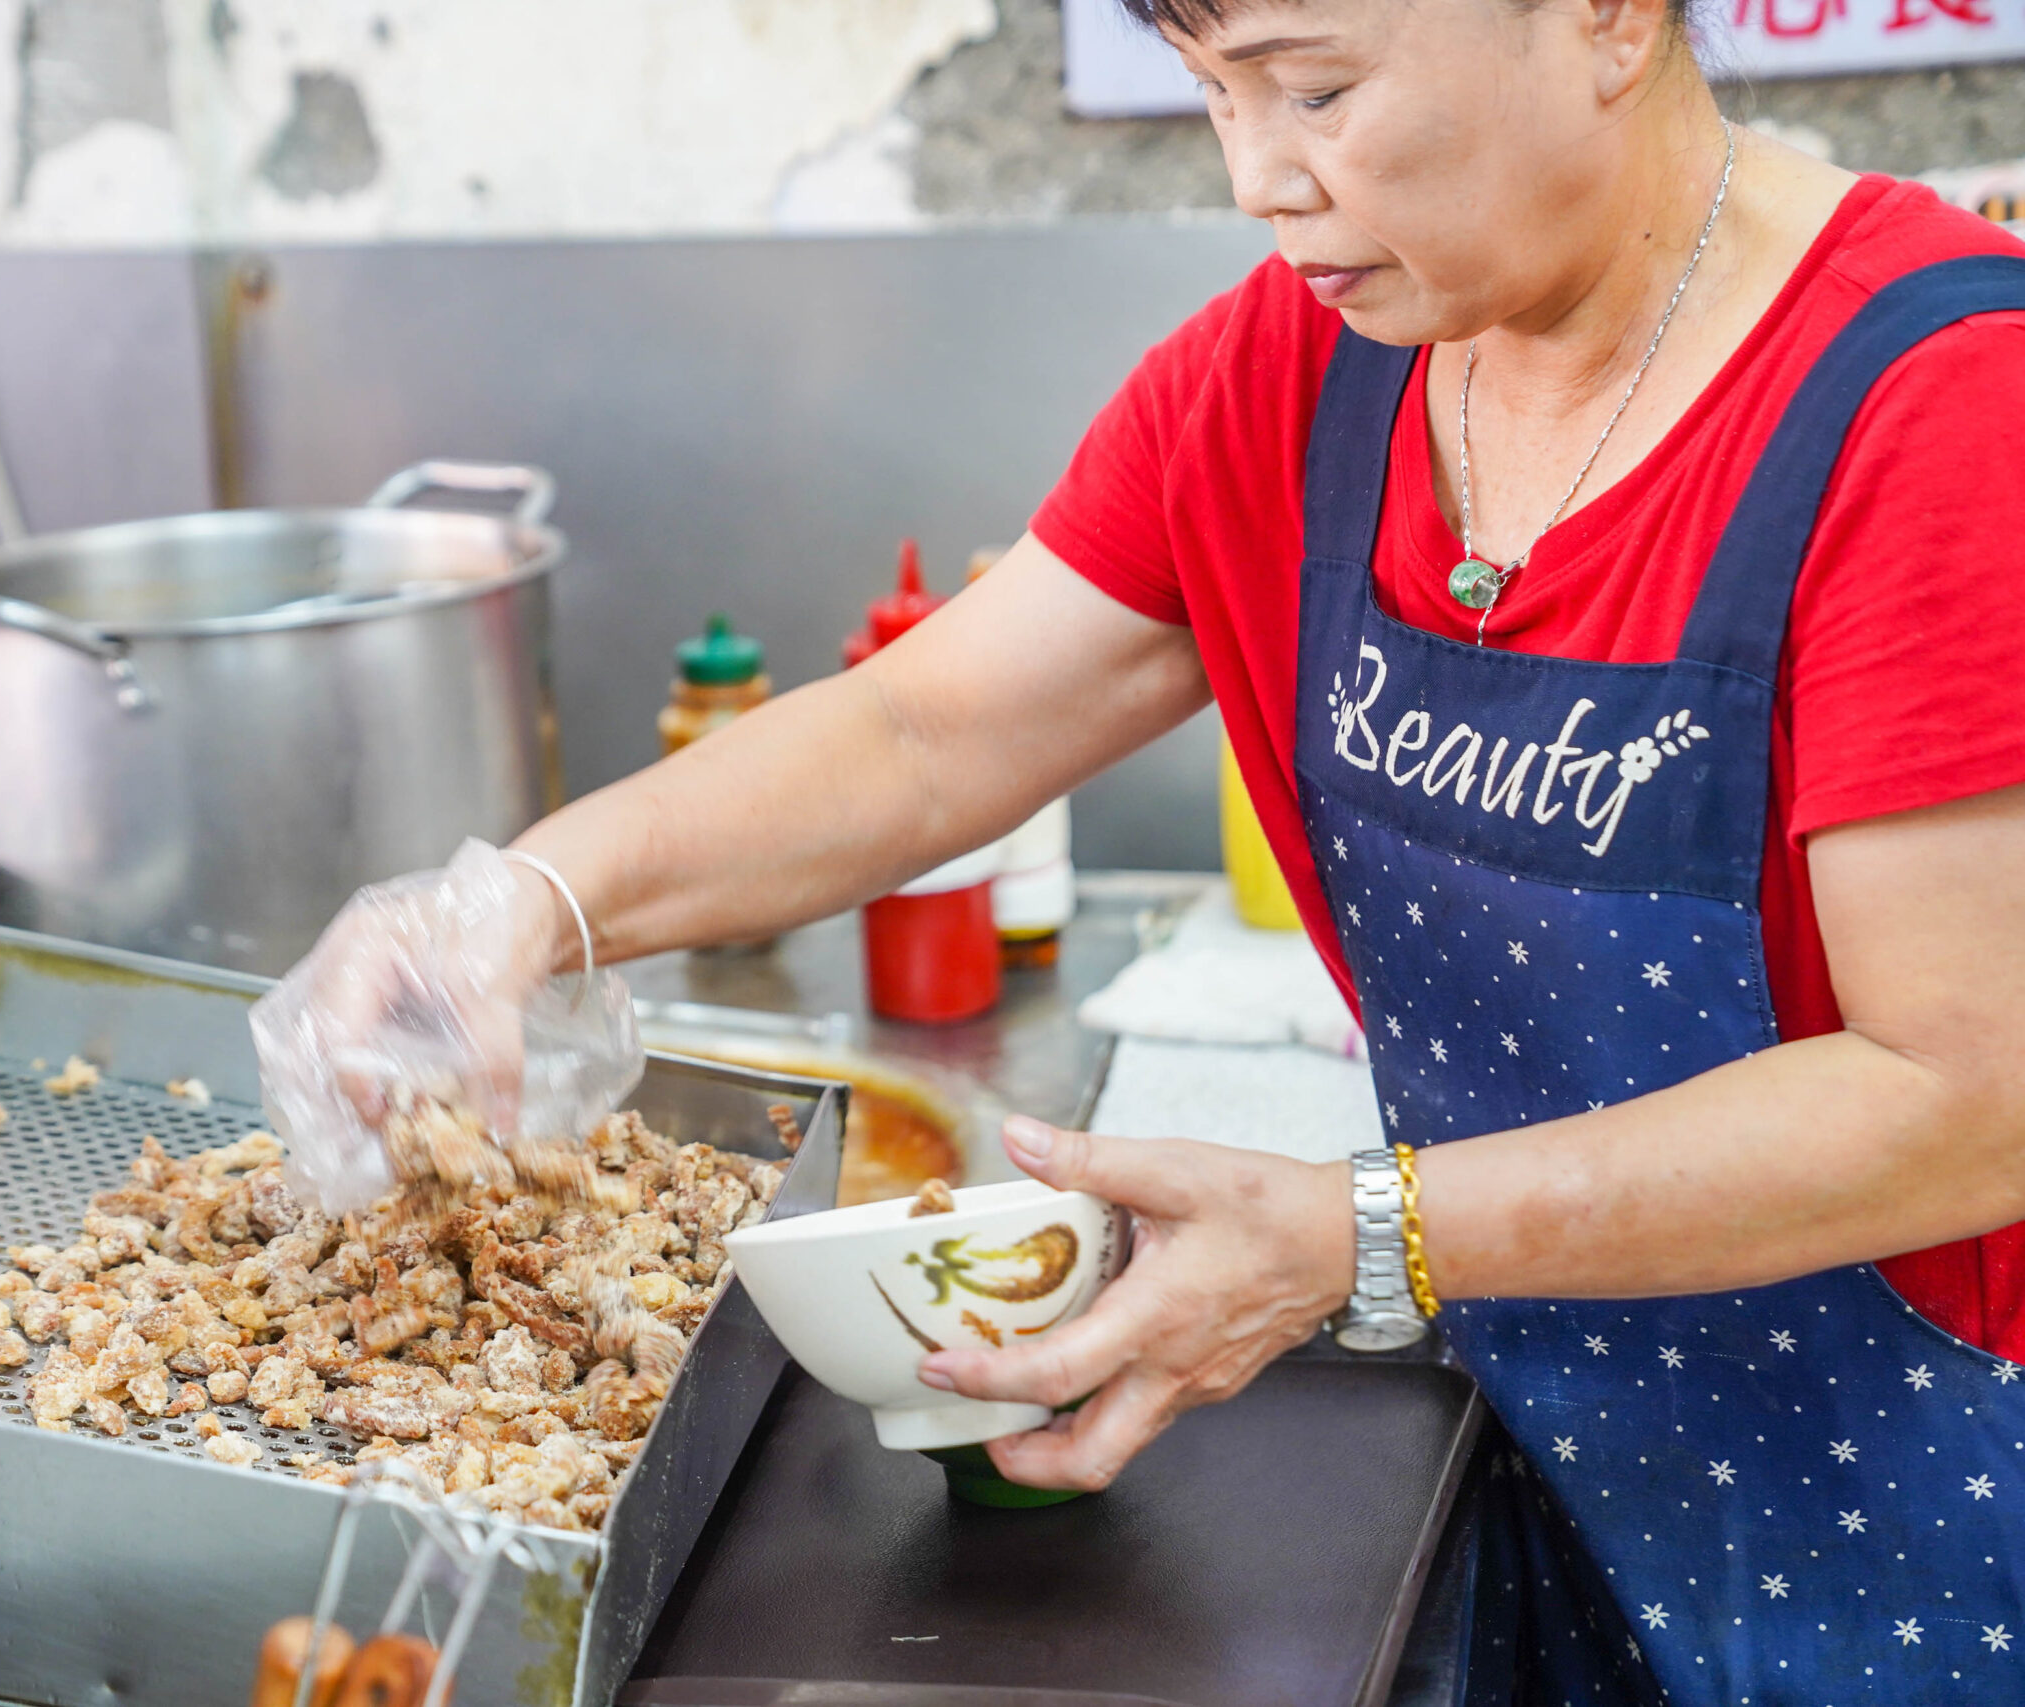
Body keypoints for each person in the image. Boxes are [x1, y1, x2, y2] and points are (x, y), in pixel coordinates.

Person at [278, 0, 2025, 1697]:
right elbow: (920, 731)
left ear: (1608, 18)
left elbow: (1970, 1094)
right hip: (1553, 1440)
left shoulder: (1935, 405)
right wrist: (523, 900)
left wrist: (1359, 1230)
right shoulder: (1295, 375)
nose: (1258, 178)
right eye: (1215, 93)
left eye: (1316, 89)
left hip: (1933, 1509)